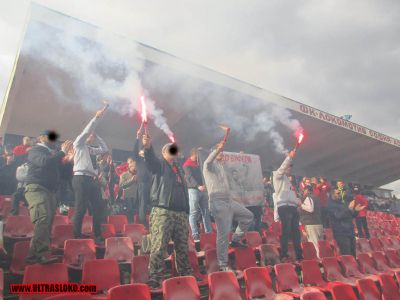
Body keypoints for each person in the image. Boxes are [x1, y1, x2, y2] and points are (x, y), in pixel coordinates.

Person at [142, 133, 193, 289]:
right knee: (159, 246)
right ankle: (155, 277)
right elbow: (150, 160)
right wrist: (148, 147)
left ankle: (185, 274)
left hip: (181, 213)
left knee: (182, 246)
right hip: (163, 211)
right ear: (164, 153)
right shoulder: (160, 165)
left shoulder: (179, 168)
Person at [203, 141, 253, 272]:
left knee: (248, 216)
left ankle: (236, 239)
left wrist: (240, 157)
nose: (222, 154)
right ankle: (223, 264)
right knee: (223, 233)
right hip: (217, 201)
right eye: (220, 152)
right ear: (214, 153)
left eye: (222, 152)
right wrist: (216, 150)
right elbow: (208, 162)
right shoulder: (209, 166)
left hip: (228, 200)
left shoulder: (222, 166)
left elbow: (234, 168)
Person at [24, 131, 71, 264]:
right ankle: (41, 253)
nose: (53, 140)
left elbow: (65, 176)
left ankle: (33, 257)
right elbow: (44, 162)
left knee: (46, 223)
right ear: (41, 138)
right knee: (42, 218)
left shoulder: (53, 155)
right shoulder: (35, 150)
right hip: (37, 188)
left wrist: (68, 162)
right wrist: (61, 153)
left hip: (50, 192)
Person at [72, 106, 109, 244]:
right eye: (89, 135)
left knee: (98, 207)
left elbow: (104, 149)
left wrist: (97, 136)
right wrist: (96, 118)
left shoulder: (89, 149)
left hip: (90, 179)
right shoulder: (78, 144)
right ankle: (76, 236)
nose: (90, 137)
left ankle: (98, 236)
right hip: (80, 178)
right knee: (81, 208)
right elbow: (86, 131)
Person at [273, 149, 303, 261]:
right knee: (286, 231)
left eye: (291, 167)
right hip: (284, 207)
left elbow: (292, 197)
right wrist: (289, 157)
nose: (290, 168)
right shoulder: (278, 176)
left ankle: (299, 254)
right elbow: (281, 169)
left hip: (292, 207)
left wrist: (298, 202)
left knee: (296, 233)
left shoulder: (288, 182)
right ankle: (284, 254)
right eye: (289, 166)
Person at [183, 148, 212, 242]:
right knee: (194, 212)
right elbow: (189, 177)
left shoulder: (199, 164)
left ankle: (209, 233)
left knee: (206, 212)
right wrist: (198, 186)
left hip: (203, 190)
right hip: (193, 190)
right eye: (197, 155)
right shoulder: (186, 165)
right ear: (193, 154)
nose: (198, 157)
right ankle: (195, 234)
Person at [328, 188, 363, 256]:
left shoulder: (342, 203)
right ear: (332, 194)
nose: (339, 195)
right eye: (337, 193)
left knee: (353, 254)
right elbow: (338, 216)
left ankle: (354, 266)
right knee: (346, 255)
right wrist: (349, 209)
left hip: (350, 231)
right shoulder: (331, 205)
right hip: (341, 233)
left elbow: (350, 216)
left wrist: (356, 210)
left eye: (339, 193)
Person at [132, 130, 152, 227]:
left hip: (151, 183)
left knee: (152, 203)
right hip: (142, 183)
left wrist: (148, 143)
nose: (143, 151)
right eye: (142, 150)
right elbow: (134, 150)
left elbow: (152, 153)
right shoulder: (138, 159)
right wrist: (137, 137)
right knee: (143, 203)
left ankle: (152, 221)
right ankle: (142, 223)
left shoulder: (149, 160)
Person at [300, 185, 323, 257]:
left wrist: (301, 205)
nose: (303, 193)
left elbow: (310, 209)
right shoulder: (317, 198)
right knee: (321, 245)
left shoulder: (308, 197)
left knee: (314, 245)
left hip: (310, 224)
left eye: (303, 191)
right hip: (318, 223)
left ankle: (320, 263)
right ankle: (323, 260)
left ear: (306, 190)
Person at [119, 158, 138, 223]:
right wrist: (131, 180)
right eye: (134, 166)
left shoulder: (139, 174)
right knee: (129, 213)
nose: (136, 168)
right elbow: (121, 185)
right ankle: (129, 225)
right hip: (128, 197)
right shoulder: (124, 174)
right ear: (130, 166)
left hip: (137, 197)